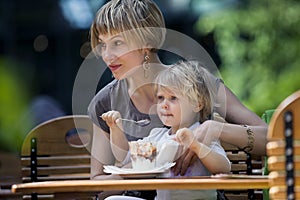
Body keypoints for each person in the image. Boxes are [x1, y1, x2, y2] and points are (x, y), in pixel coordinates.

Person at [87, 0, 267, 198]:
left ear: (146, 41)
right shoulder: (105, 102)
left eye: (117, 43)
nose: (107, 55)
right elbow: (97, 185)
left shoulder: (196, 82)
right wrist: (139, 170)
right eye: (103, 45)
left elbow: (270, 139)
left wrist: (213, 129)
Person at [101, 60, 231, 200]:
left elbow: (223, 168)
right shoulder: (157, 136)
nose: (164, 105)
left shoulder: (201, 134)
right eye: (161, 98)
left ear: (197, 104)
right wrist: (116, 129)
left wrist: (196, 146)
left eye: (173, 98)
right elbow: (124, 156)